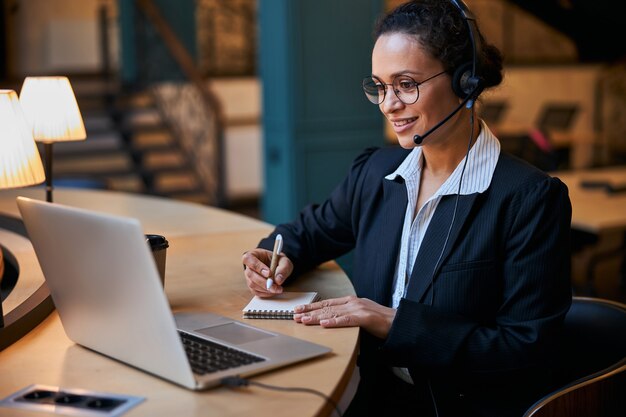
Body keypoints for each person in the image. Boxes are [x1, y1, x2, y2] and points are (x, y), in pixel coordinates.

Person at [242, 0, 572, 416]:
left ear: (465, 82)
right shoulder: (376, 171)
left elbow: (527, 348)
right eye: (380, 86)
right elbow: (307, 232)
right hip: (372, 394)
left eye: (406, 84)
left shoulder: (528, 199)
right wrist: (272, 256)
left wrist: (394, 323)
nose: (388, 105)